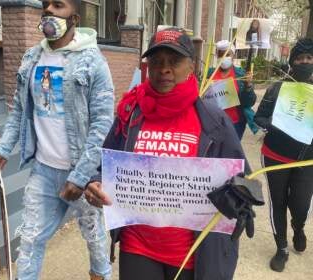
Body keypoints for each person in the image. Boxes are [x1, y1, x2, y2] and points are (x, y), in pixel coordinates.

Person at [84, 28, 254, 280]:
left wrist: (237, 194)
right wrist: (95, 185)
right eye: (156, 61)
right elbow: (105, 165)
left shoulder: (213, 119)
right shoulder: (130, 113)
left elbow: (244, 180)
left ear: (191, 66)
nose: (164, 69)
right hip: (137, 246)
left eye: (174, 61)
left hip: (191, 254)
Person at [0, 0, 114, 279]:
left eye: (58, 6)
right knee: (31, 240)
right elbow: (20, 110)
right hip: (43, 170)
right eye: (46, 6)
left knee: (95, 242)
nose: (49, 11)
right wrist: (4, 147)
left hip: (83, 172)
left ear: (75, 18)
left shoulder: (93, 61)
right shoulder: (31, 58)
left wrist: (80, 176)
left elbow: (102, 123)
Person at [254, 38, 313, 273]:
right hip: (275, 155)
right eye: (300, 58)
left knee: (301, 204)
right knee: (278, 202)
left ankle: (298, 226)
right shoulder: (277, 88)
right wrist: (273, 124)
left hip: (307, 159)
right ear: (292, 62)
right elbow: (258, 118)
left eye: (309, 58)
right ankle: (281, 248)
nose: (305, 62)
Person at [207, 40, 257, 139]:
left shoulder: (241, 75)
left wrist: (248, 86)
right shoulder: (209, 74)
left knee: (231, 153)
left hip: (235, 124)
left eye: (227, 54)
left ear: (233, 55)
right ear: (217, 55)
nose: (224, 57)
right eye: (221, 54)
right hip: (214, 122)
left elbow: (249, 102)